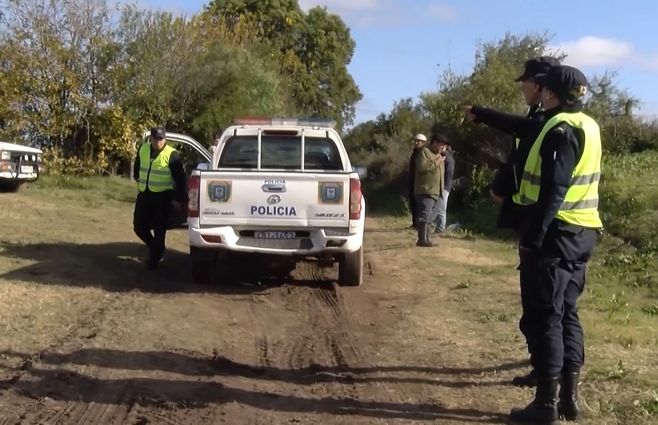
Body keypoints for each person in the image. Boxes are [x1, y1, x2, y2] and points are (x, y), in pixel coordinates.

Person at [507, 65, 602, 424]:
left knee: (546, 315)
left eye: (544, 88)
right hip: (581, 233)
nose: (539, 92)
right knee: (567, 312)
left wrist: (533, 237)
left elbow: (554, 190)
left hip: (555, 236)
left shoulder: (560, 130)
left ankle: (546, 404)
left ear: (550, 94)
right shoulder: (588, 126)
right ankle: (569, 399)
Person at [463, 56, 560, 387]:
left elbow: (520, 134)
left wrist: (484, 114)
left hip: (547, 226)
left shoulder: (552, 122)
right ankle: (544, 371)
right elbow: (518, 156)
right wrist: (501, 186)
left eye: (525, 82)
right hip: (535, 219)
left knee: (546, 308)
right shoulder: (541, 117)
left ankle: (550, 383)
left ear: (540, 85)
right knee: (541, 307)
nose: (521, 87)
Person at [133, 127, 187, 269]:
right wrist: (137, 177)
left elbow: (181, 180)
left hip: (162, 197)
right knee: (139, 227)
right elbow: (137, 166)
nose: (158, 141)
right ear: (151, 138)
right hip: (144, 194)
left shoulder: (172, 154)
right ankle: (157, 249)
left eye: (160, 139)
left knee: (159, 230)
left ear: (165, 139)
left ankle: (154, 260)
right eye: (155, 138)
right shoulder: (143, 149)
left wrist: (178, 199)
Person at [413, 135, 445, 247]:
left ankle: (426, 239)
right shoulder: (424, 152)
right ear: (435, 143)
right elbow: (422, 167)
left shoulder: (439, 155)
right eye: (442, 144)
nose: (443, 147)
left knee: (429, 217)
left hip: (437, 192)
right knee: (424, 215)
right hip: (425, 190)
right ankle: (422, 240)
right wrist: (437, 162)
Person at [434, 138, 454, 233]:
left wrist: (443, 186)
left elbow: (447, 174)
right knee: (440, 207)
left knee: (441, 207)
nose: (441, 147)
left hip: (444, 186)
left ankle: (440, 228)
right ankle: (439, 227)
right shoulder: (446, 156)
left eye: (443, 146)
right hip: (444, 185)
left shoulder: (446, 157)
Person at [408, 133, 427, 228]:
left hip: (419, 183)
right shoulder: (414, 153)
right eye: (415, 141)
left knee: (419, 204)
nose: (416, 142)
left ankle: (420, 224)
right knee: (413, 203)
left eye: (418, 141)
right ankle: (415, 223)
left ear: (423, 142)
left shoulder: (424, 153)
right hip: (412, 181)